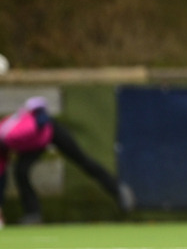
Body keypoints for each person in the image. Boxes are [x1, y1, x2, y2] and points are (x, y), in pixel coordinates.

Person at [0, 96, 135, 225]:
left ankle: (118, 189)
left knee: (82, 160)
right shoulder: (4, 144)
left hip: (50, 132)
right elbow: (2, 172)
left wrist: (38, 117)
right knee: (21, 172)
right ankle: (33, 214)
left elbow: (40, 116)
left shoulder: (12, 134)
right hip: (33, 144)